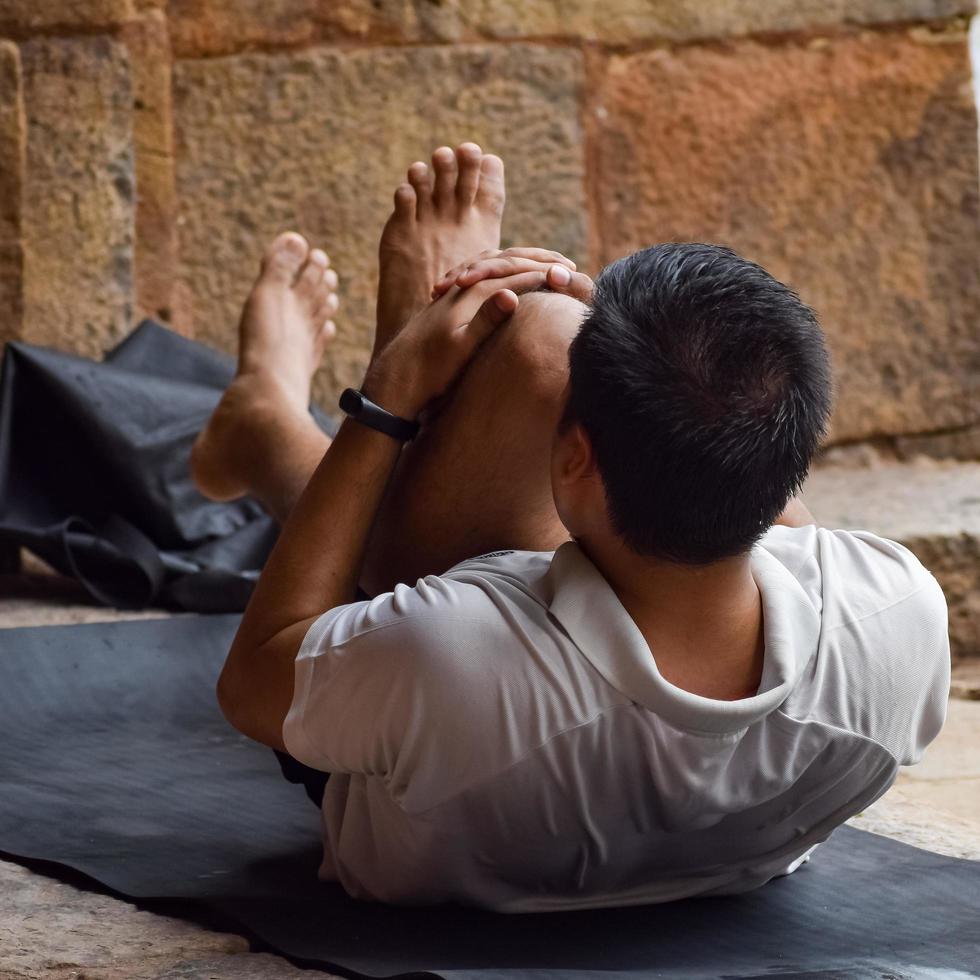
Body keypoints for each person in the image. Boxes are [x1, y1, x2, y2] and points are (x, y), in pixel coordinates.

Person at [191, 143, 950, 911]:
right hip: (727, 851)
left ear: (573, 461)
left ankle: (289, 413)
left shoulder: (449, 650)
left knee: (540, 343)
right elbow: (775, 515)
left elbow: (255, 679)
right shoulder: (899, 609)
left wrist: (392, 392)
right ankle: (405, 396)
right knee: (620, 376)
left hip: (447, 786)